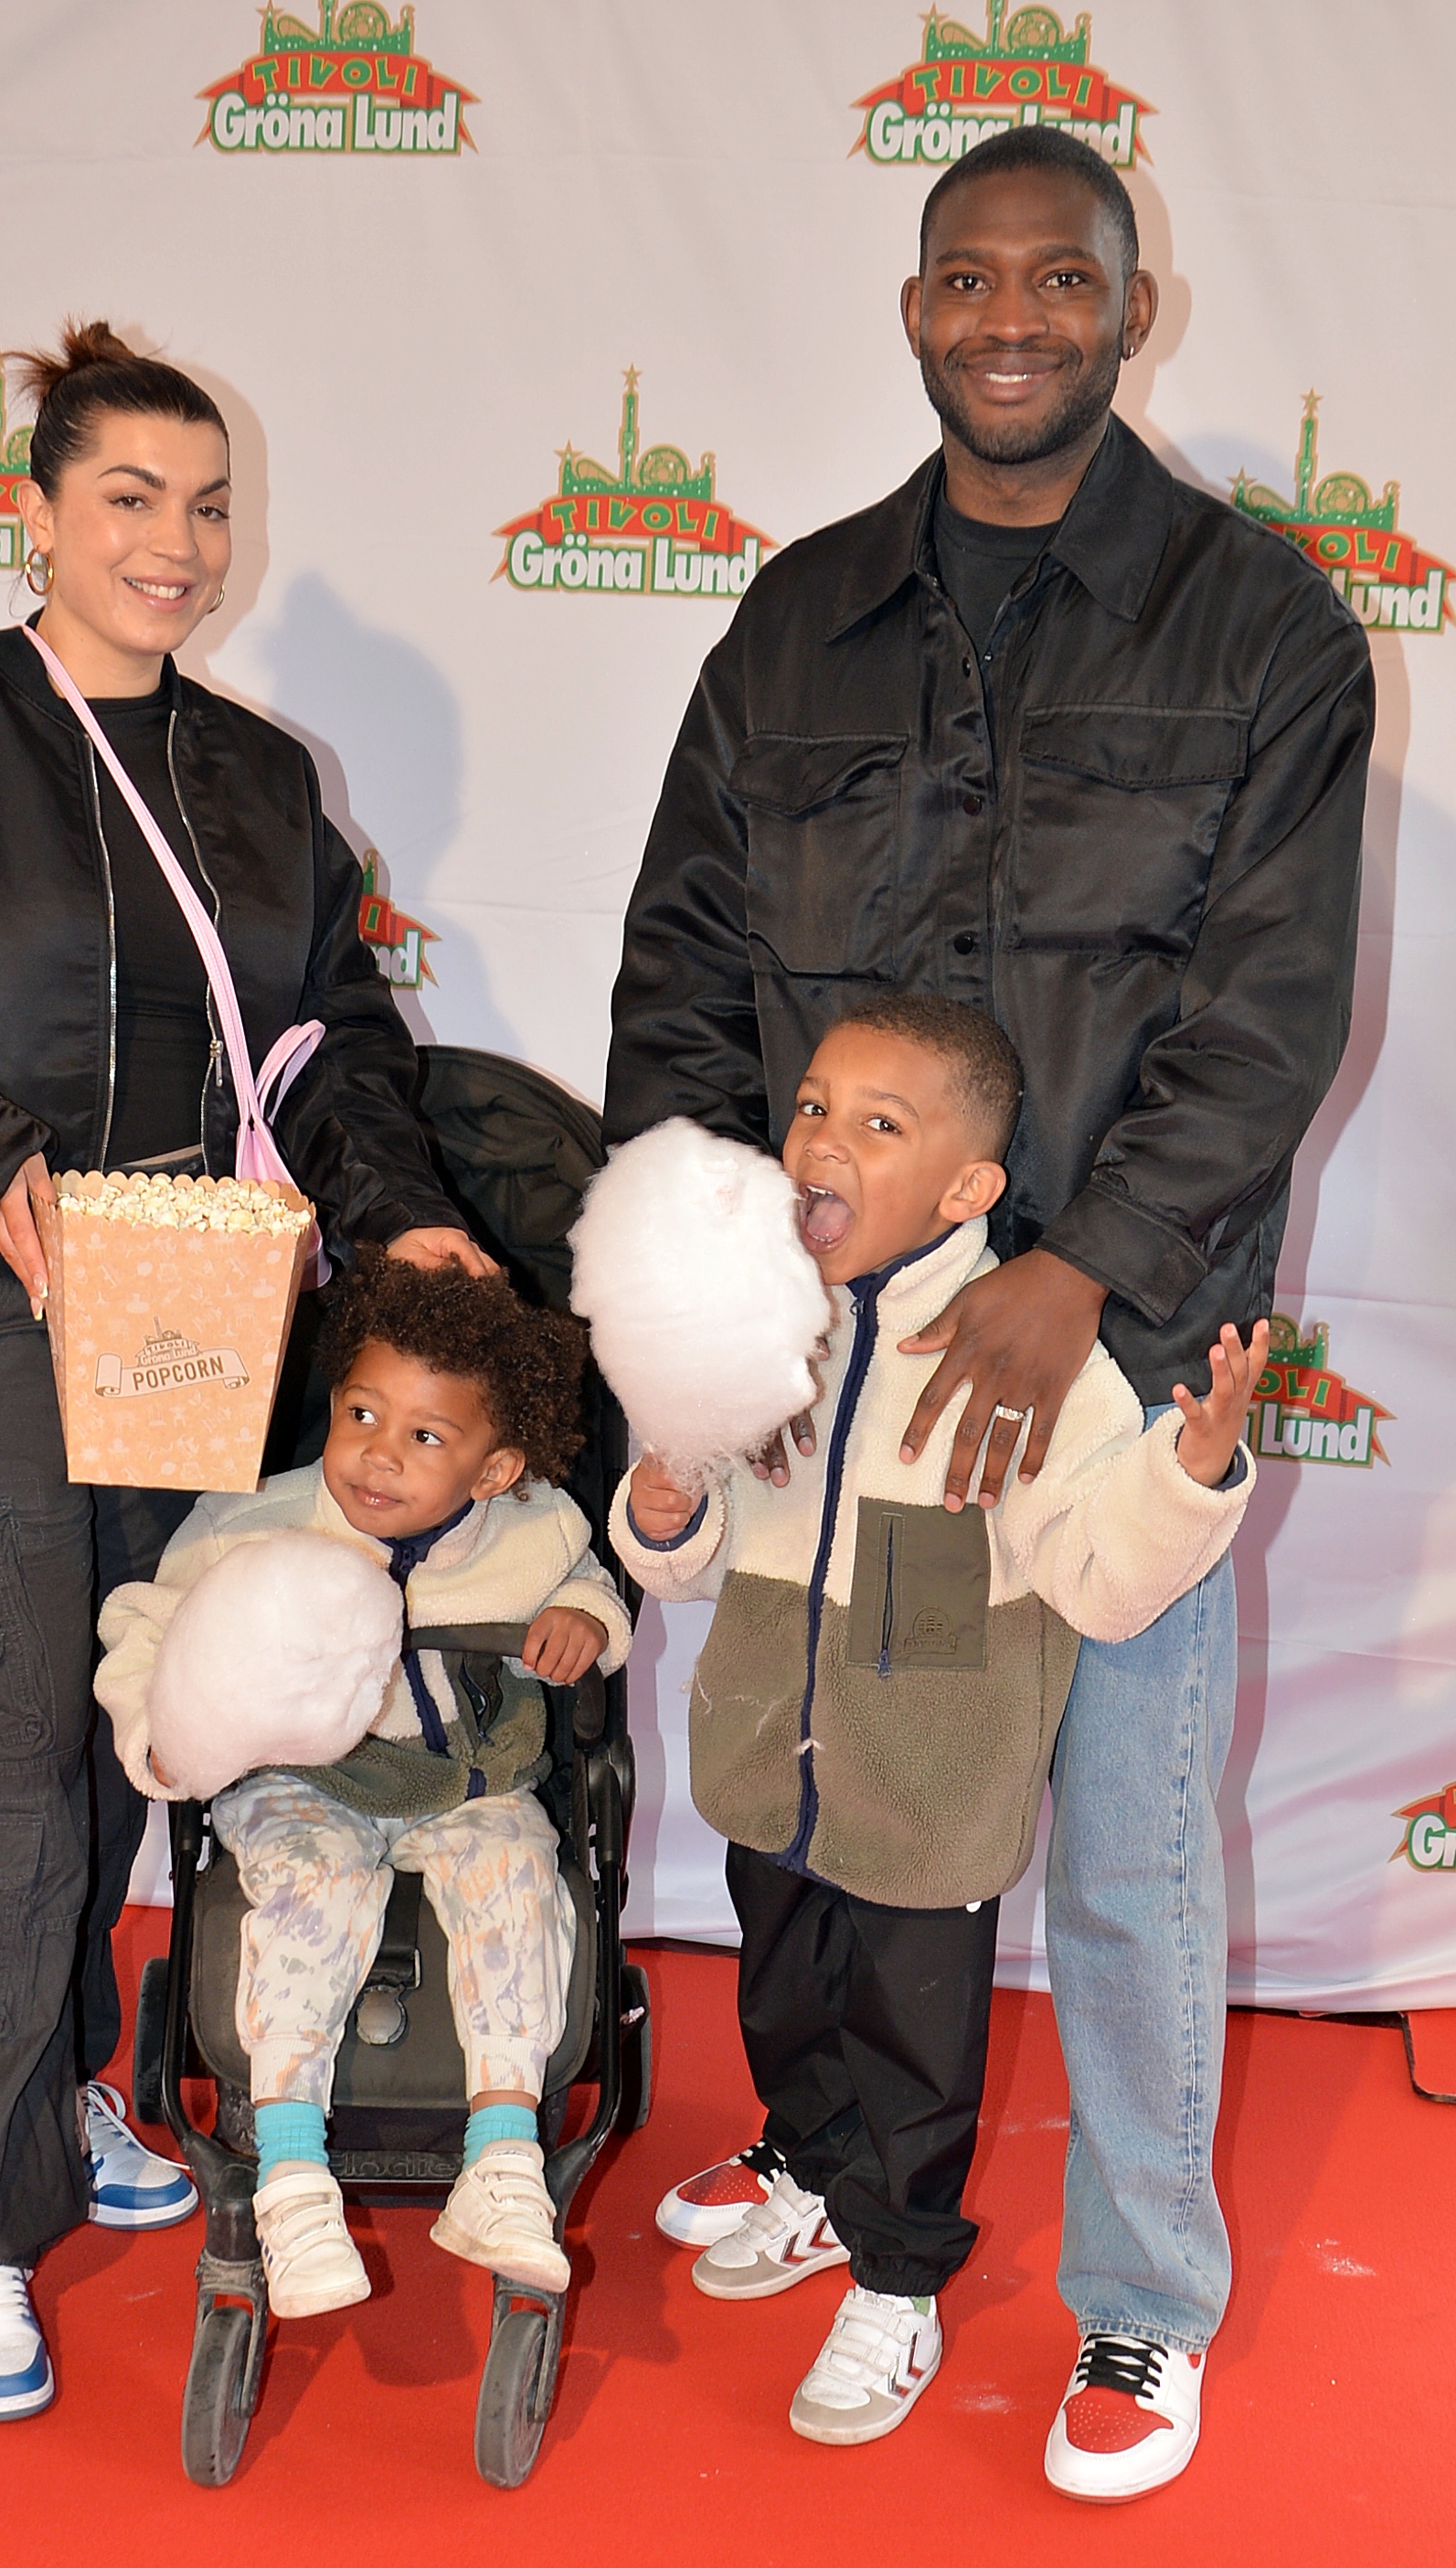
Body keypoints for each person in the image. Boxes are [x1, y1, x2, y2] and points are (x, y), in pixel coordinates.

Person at [605, 127, 1374, 2499]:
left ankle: (1141, 2300)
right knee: (836, 1806)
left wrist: (1076, 1270)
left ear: (1132, 310)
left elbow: (1266, 1013)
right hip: (837, 1378)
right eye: (965, 276)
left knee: (1123, 1863)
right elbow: (682, 978)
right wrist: (718, 1289)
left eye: (1057, 277)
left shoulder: (1259, 628)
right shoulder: (794, 621)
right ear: (913, 307)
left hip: (1104, 1376)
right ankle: (840, 2167)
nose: (1008, 315)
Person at [0, 321, 494, 2422]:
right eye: (130, 498)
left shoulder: (256, 780)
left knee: (124, 1724)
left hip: (199, 1309)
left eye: (208, 505)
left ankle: (68, 2089)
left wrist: (407, 1217)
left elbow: (331, 1045)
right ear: (37, 512)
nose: (176, 542)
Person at [611, 997, 1262, 2449]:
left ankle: (897, 2279)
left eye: (878, 1123)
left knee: (912, 2062)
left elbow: (1100, 1578)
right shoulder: (757, 1332)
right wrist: (661, 1508)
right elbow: (694, 1551)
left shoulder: (1030, 1362)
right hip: (769, 1784)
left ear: (968, 1188)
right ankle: (815, 2181)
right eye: (812, 1107)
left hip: (926, 1809)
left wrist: (1189, 1471)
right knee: (785, 2011)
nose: (823, 1142)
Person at [95, 1250, 630, 2310]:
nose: (379, 1455)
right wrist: (157, 1731)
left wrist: (586, 1616)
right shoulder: (258, 1520)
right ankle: (292, 2177)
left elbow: (590, 1583)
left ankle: (503, 2155)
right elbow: (147, 1622)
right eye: (360, 1415)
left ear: (493, 1469)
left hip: (462, 1775)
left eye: (425, 1437)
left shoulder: (536, 1528)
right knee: (314, 1885)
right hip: (303, 1776)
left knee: (519, 1871)